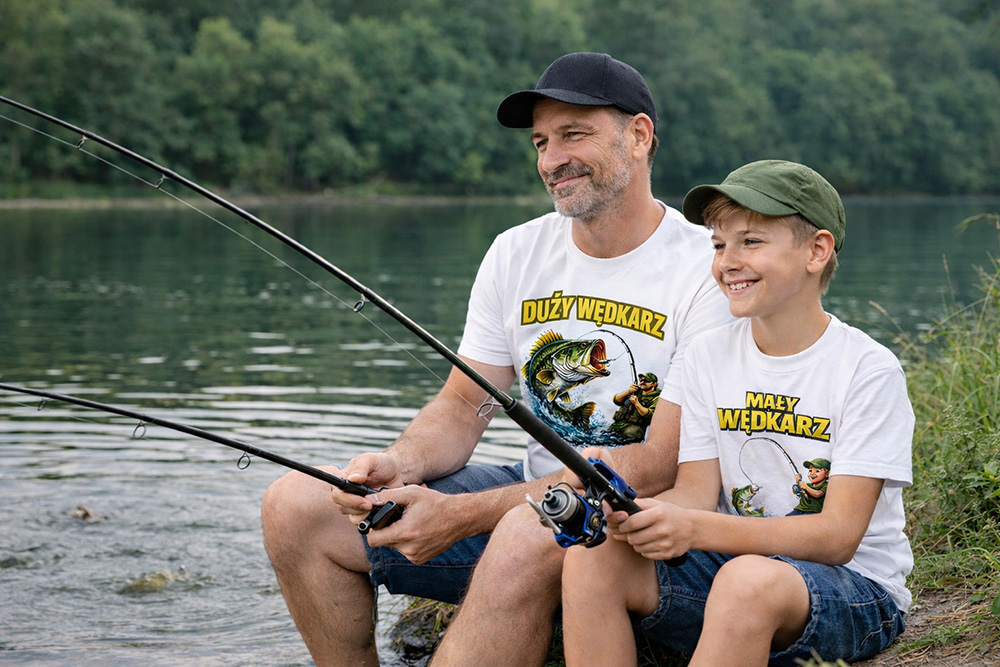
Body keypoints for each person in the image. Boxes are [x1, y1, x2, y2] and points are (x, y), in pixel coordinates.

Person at [260, 52, 732, 666]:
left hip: (651, 530)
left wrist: (461, 515)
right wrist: (399, 463)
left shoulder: (710, 269)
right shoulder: (515, 252)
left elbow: (657, 463)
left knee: (525, 529)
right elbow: (465, 404)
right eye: (540, 142)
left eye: (574, 135)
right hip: (538, 497)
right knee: (296, 504)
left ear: (639, 136)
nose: (551, 160)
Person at [559, 159, 914, 666]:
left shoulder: (867, 369)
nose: (728, 261)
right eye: (719, 245)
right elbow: (695, 494)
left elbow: (837, 537)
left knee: (746, 581)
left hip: (854, 589)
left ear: (816, 251)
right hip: (737, 569)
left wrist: (694, 529)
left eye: (751, 241)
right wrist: (634, 513)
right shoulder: (706, 356)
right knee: (592, 556)